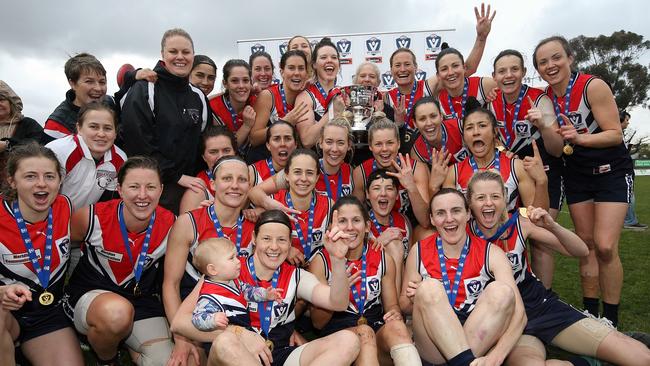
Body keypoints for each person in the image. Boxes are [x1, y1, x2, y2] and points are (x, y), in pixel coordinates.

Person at [467, 170, 650, 365]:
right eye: (480, 197)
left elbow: (580, 250)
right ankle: (588, 362)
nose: (488, 203)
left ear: (505, 199)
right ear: (469, 203)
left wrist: (552, 226)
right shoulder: (461, 233)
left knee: (641, 358)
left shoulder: (520, 224)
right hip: (503, 319)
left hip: (539, 306)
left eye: (495, 196)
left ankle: (607, 346)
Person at [170, 209, 361, 366]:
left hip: (278, 355)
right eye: (267, 239)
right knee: (225, 342)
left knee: (349, 340)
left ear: (289, 244)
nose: (274, 247)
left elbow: (337, 303)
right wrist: (240, 333)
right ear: (254, 238)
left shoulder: (295, 276)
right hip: (237, 355)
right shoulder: (227, 271)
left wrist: (337, 260)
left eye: (282, 240)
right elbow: (179, 323)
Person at [534, 36, 634, 326]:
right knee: (586, 243)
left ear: (570, 58)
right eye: (543, 62)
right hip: (576, 173)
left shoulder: (593, 86)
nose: (550, 66)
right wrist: (544, 125)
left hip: (610, 170)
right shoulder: (546, 99)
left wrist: (580, 138)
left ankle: (611, 317)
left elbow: (615, 133)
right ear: (538, 69)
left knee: (604, 246)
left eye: (556, 58)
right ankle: (591, 311)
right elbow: (554, 148)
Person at [64, 156, 175, 366]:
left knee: (167, 361)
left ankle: (123, 343)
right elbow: (65, 247)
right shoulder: (91, 217)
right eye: (133, 186)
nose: (142, 195)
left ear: (161, 190)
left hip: (140, 299)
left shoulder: (172, 225)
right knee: (116, 314)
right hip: (93, 297)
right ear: (120, 188)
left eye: (151, 187)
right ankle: (106, 359)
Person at [399, 188, 526, 366]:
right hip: (432, 343)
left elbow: (519, 314)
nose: (449, 219)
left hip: (475, 334)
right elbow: (404, 306)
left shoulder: (492, 253)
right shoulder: (418, 250)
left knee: (502, 292)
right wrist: (416, 298)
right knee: (429, 288)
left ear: (468, 214)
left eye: (456, 210)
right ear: (432, 220)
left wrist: (495, 357)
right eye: (441, 213)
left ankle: (463, 361)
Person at [163, 155, 256, 365]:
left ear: (249, 186)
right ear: (213, 184)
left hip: (240, 312)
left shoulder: (256, 226)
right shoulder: (189, 223)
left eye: (242, 180)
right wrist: (182, 339)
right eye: (227, 179)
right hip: (197, 312)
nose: (235, 185)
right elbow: (171, 284)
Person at [309, 196, 420, 366]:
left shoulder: (383, 258)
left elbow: (391, 306)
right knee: (364, 332)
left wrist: (395, 313)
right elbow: (317, 323)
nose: (350, 227)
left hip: (375, 331)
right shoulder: (320, 261)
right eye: (342, 221)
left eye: (356, 220)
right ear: (331, 226)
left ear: (367, 226)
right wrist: (337, 289)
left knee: (397, 327)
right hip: (339, 341)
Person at [0, 143, 84, 366]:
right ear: (12, 181)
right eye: (30, 176)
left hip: (46, 314)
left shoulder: (64, 206)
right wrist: (2, 291)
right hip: (6, 312)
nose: (41, 184)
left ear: (59, 181)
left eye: (49, 176)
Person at [487, 49, 564, 288]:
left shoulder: (539, 99)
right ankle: (518, 292)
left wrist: (543, 124)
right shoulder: (492, 101)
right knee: (511, 236)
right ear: (495, 76)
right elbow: (496, 141)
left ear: (523, 72)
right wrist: (502, 150)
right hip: (514, 176)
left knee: (540, 238)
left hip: (544, 172)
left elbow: (557, 149)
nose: (508, 75)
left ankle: (544, 296)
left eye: (514, 69)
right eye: (502, 71)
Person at [120, 28, 211, 215]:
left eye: (186, 52)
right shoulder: (145, 89)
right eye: (173, 52)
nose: (180, 57)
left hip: (189, 187)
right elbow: (138, 144)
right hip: (151, 189)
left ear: (193, 56)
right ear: (163, 54)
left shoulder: (198, 96)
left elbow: (204, 142)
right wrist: (176, 176)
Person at [386, 3, 496, 130]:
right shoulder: (386, 97)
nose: (403, 69)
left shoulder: (429, 87)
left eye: (407, 64)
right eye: (397, 65)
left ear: (416, 67)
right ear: (391, 70)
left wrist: (481, 38)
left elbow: (466, 69)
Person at [438, 108, 547, 214]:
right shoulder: (453, 173)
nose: (476, 132)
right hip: (469, 232)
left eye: (482, 126)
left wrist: (542, 181)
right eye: (469, 128)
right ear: (464, 136)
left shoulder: (516, 166)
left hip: (507, 230)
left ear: (495, 131)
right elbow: (448, 216)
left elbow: (537, 215)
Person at [190, 238, 282, 351]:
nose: (238, 261)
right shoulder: (210, 295)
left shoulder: (233, 281)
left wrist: (266, 294)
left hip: (242, 335)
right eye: (231, 258)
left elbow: (248, 291)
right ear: (213, 269)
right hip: (225, 347)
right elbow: (197, 318)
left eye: (236, 256)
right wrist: (212, 319)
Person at [251, 149, 333, 265]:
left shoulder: (330, 206)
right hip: (279, 274)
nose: (303, 178)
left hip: (317, 273)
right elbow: (258, 246)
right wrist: (285, 249)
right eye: (297, 172)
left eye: (309, 173)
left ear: (317, 177)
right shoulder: (273, 204)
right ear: (287, 175)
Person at [352, 113, 430, 229]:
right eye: (378, 144)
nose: (384, 149)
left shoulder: (416, 169)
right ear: (370, 146)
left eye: (390, 143)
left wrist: (411, 187)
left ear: (398, 144)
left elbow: (425, 221)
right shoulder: (361, 172)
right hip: (375, 229)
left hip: (408, 227)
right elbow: (355, 216)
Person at [46, 101, 126, 211]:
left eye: (107, 128)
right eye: (93, 127)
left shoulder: (120, 158)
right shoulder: (58, 151)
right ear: (79, 128)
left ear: (115, 132)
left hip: (84, 222)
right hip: (50, 218)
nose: (101, 134)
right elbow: (42, 195)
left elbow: (106, 205)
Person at [250, 50, 310, 163]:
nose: (296, 73)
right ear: (282, 72)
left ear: (306, 73)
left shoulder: (308, 96)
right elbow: (254, 138)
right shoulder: (268, 96)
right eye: (291, 68)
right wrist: (285, 122)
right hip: (267, 163)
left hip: (297, 162)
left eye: (301, 68)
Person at [43, 53, 114, 142]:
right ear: (72, 83)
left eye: (102, 82)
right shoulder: (56, 126)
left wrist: (133, 75)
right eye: (89, 81)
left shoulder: (111, 102)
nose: (98, 88)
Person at [365, 169, 412, 292]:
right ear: (367, 194)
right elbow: (357, 262)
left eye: (389, 189)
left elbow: (409, 262)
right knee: (394, 244)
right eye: (376, 188)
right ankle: (394, 305)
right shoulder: (360, 223)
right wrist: (379, 242)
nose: (383, 194)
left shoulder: (404, 220)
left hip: (402, 285)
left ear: (397, 195)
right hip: (372, 287)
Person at [295, 37, 345, 148]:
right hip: (315, 161)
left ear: (339, 63)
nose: (329, 60)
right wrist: (333, 113)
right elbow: (307, 140)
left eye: (334, 57)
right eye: (323, 57)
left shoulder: (344, 94)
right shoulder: (305, 97)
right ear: (314, 64)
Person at [179, 125, 238, 213]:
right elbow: (184, 226)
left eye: (226, 150)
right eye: (213, 152)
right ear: (204, 157)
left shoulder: (250, 176)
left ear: (235, 152)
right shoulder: (197, 191)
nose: (221, 156)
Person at [0, 80, 45, 184]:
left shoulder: (28, 124)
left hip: (21, 183)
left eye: (1, 100)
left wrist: (7, 145)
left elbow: (38, 145)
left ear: (11, 103)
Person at [210, 59, 256, 149]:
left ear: (251, 82)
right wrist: (246, 126)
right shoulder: (213, 106)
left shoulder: (258, 101)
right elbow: (225, 149)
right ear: (225, 83)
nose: (241, 86)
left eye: (245, 80)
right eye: (235, 81)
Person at [409, 96, 465, 169]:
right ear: (415, 123)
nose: (429, 123)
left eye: (433, 116)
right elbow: (425, 180)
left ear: (441, 117)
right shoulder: (417, 152)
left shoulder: (460, 128)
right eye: (422, 119)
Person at [248, 121, 298, 187]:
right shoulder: (252, 173)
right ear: (268, 145)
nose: (282, 144)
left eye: (287, 138)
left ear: (295, 145)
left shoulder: (305, 171)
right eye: (276, 139)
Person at [620, 110, 647, 230]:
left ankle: (627, 219)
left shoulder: (621, 135)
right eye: (626, 120)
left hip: (623, 170)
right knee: (629, 195)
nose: (628, 123)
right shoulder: (616, 135)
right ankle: (630, 220)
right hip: (623, 171)